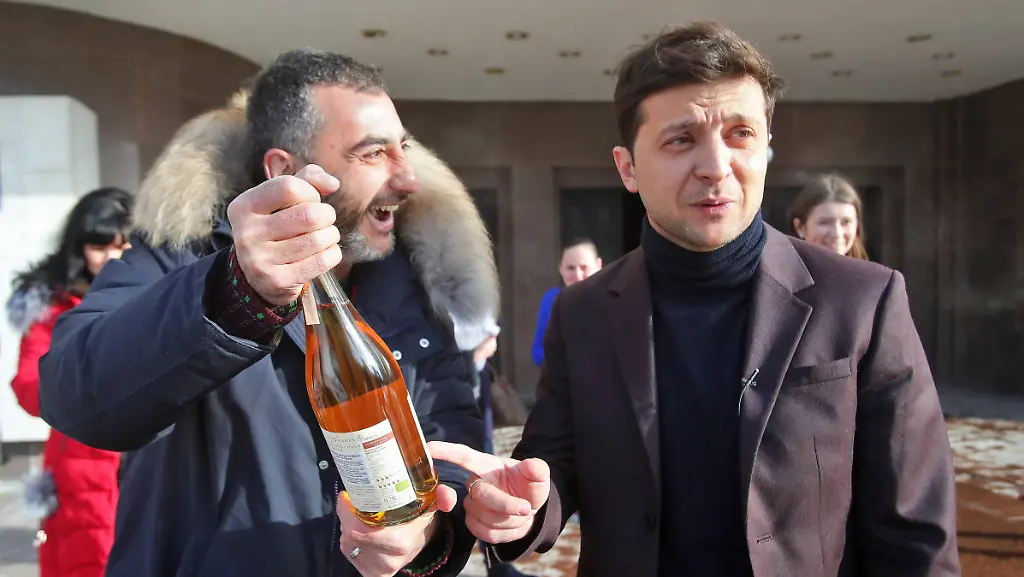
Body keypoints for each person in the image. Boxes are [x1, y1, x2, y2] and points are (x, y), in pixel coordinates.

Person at [431, 21, 961, 577]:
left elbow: (915, 530)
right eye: (681, 139)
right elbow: (554, 465)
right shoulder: (583, 311)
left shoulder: (863, 300)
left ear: (767, 148)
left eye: (740, 134)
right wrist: (525, 508)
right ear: (628, 168)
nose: (715, 166)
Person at [37, 50, 497, 577]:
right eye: (373, 153)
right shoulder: (180, 252)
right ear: (284, 171)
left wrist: (428, 530)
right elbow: (72, 392)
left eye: (403, 149)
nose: (408, 179)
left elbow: (450, 436)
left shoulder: (411, 282)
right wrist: (232, 294)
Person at [6, 187, 133, 577]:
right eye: (99, 246)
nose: (111, 257)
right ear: (79, 248)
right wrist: (82, 386)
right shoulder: (55, 307)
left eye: (121, 245)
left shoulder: (158, 296)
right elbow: (29, 384)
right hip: (80, 462)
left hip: (148, 456)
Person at [530, 239, 601, 366]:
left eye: (584, 267)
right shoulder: (552, 300)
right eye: (570, 268)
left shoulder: (612, 298)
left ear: (598, 265)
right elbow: (538, 350)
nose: (578, 275)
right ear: (560, 269)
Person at [789, 172, 870, 260]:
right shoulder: (783, 268)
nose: (837, 233)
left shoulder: (869, 269)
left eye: (846, 222)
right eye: (824, 222)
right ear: (800, 227)